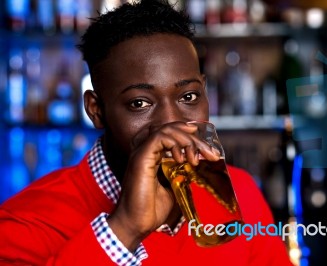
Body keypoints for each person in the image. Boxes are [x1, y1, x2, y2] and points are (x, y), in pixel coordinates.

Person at [0, 1, 292, 265]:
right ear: (96, 110)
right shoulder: (25, 222)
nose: (171, 124)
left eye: (188, 97)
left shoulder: (240, 193)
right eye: (139, 103)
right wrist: (124, 228)